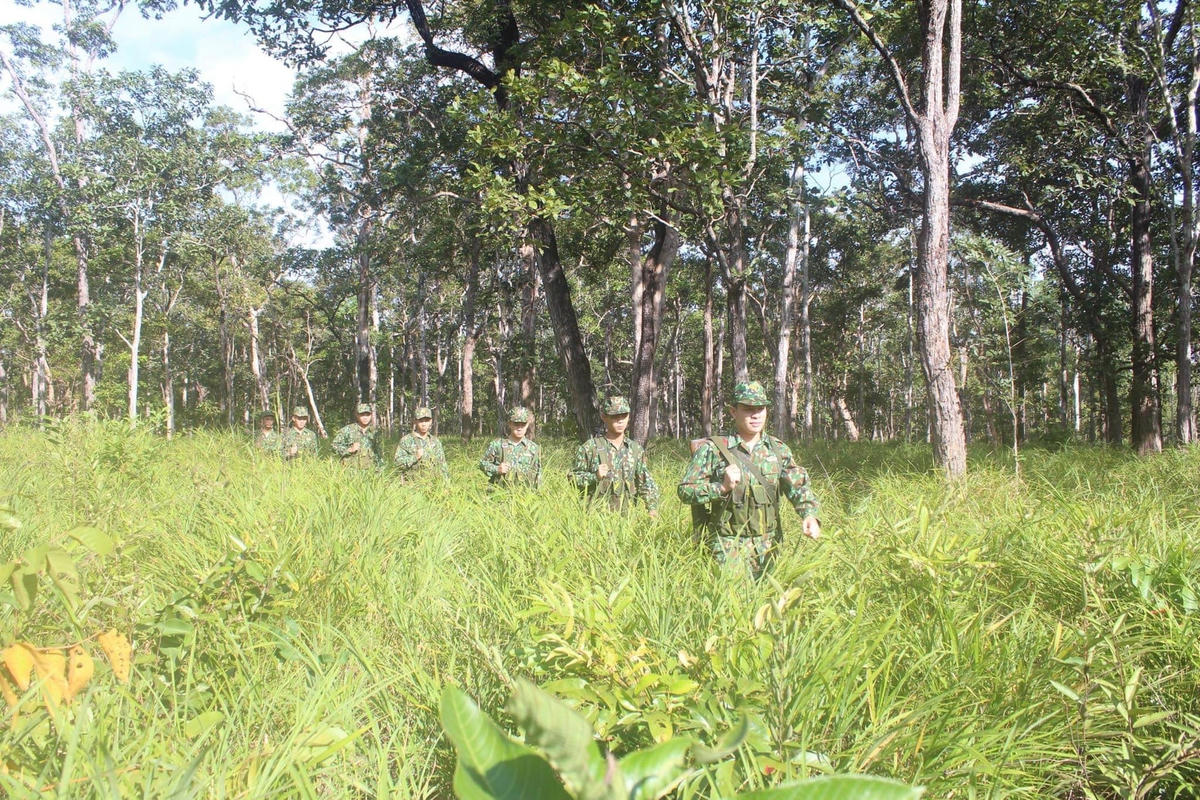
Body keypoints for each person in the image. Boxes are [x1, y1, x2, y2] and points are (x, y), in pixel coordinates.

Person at [677, 380, 820, 578]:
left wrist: (809, 515)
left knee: (769, 604)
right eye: (748, 409)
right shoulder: (714, 449)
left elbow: (798, 486)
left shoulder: (778, 450)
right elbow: (685, 491)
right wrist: (721, 488)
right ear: (733, 412)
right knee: (733, 605)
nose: (755, 415)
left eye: (760, 409)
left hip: (769, 546)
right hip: (728, 546)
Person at [569, 395, 659, 516]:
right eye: (615, 416)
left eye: (624, 415)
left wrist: (652, 508)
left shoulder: (635, 450)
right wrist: (594, 476)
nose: (620, 420)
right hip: (597, 520)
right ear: (604, 417)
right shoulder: (590, 448)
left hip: (627, 522)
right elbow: (573, 479)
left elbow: (646, 482)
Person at [478, 407, 541, 488]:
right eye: (516, 424)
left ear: (528, 424)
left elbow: (538, 474)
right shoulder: (497, 445)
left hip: (524, 495)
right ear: (510, 424)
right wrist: (497, 469)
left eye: (523, 424)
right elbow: (482, 464)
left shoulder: (533, 448)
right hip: (499, 494)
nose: (520, 428)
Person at [394, 406, 450, 482]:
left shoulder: (435, 442)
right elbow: (397, 464)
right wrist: (415, 457)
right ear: (415, 421)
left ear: (431, 421)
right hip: (411, 487)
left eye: (426, 420)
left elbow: (442, 465)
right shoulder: (406, 440)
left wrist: (446, 485)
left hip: (433, 485)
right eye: (421, 421)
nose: (424, 424)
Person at [331, 403, 381, 470]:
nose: (365, 417)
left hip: (369, 473)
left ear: (371, 415)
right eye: (362, 415)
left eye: (367, 415)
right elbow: (334, 446)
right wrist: (349, 450)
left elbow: (378, 454)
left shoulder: (375, 432)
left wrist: (379, 470)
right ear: (357, 415)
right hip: (349, 472)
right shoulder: (348, 430)